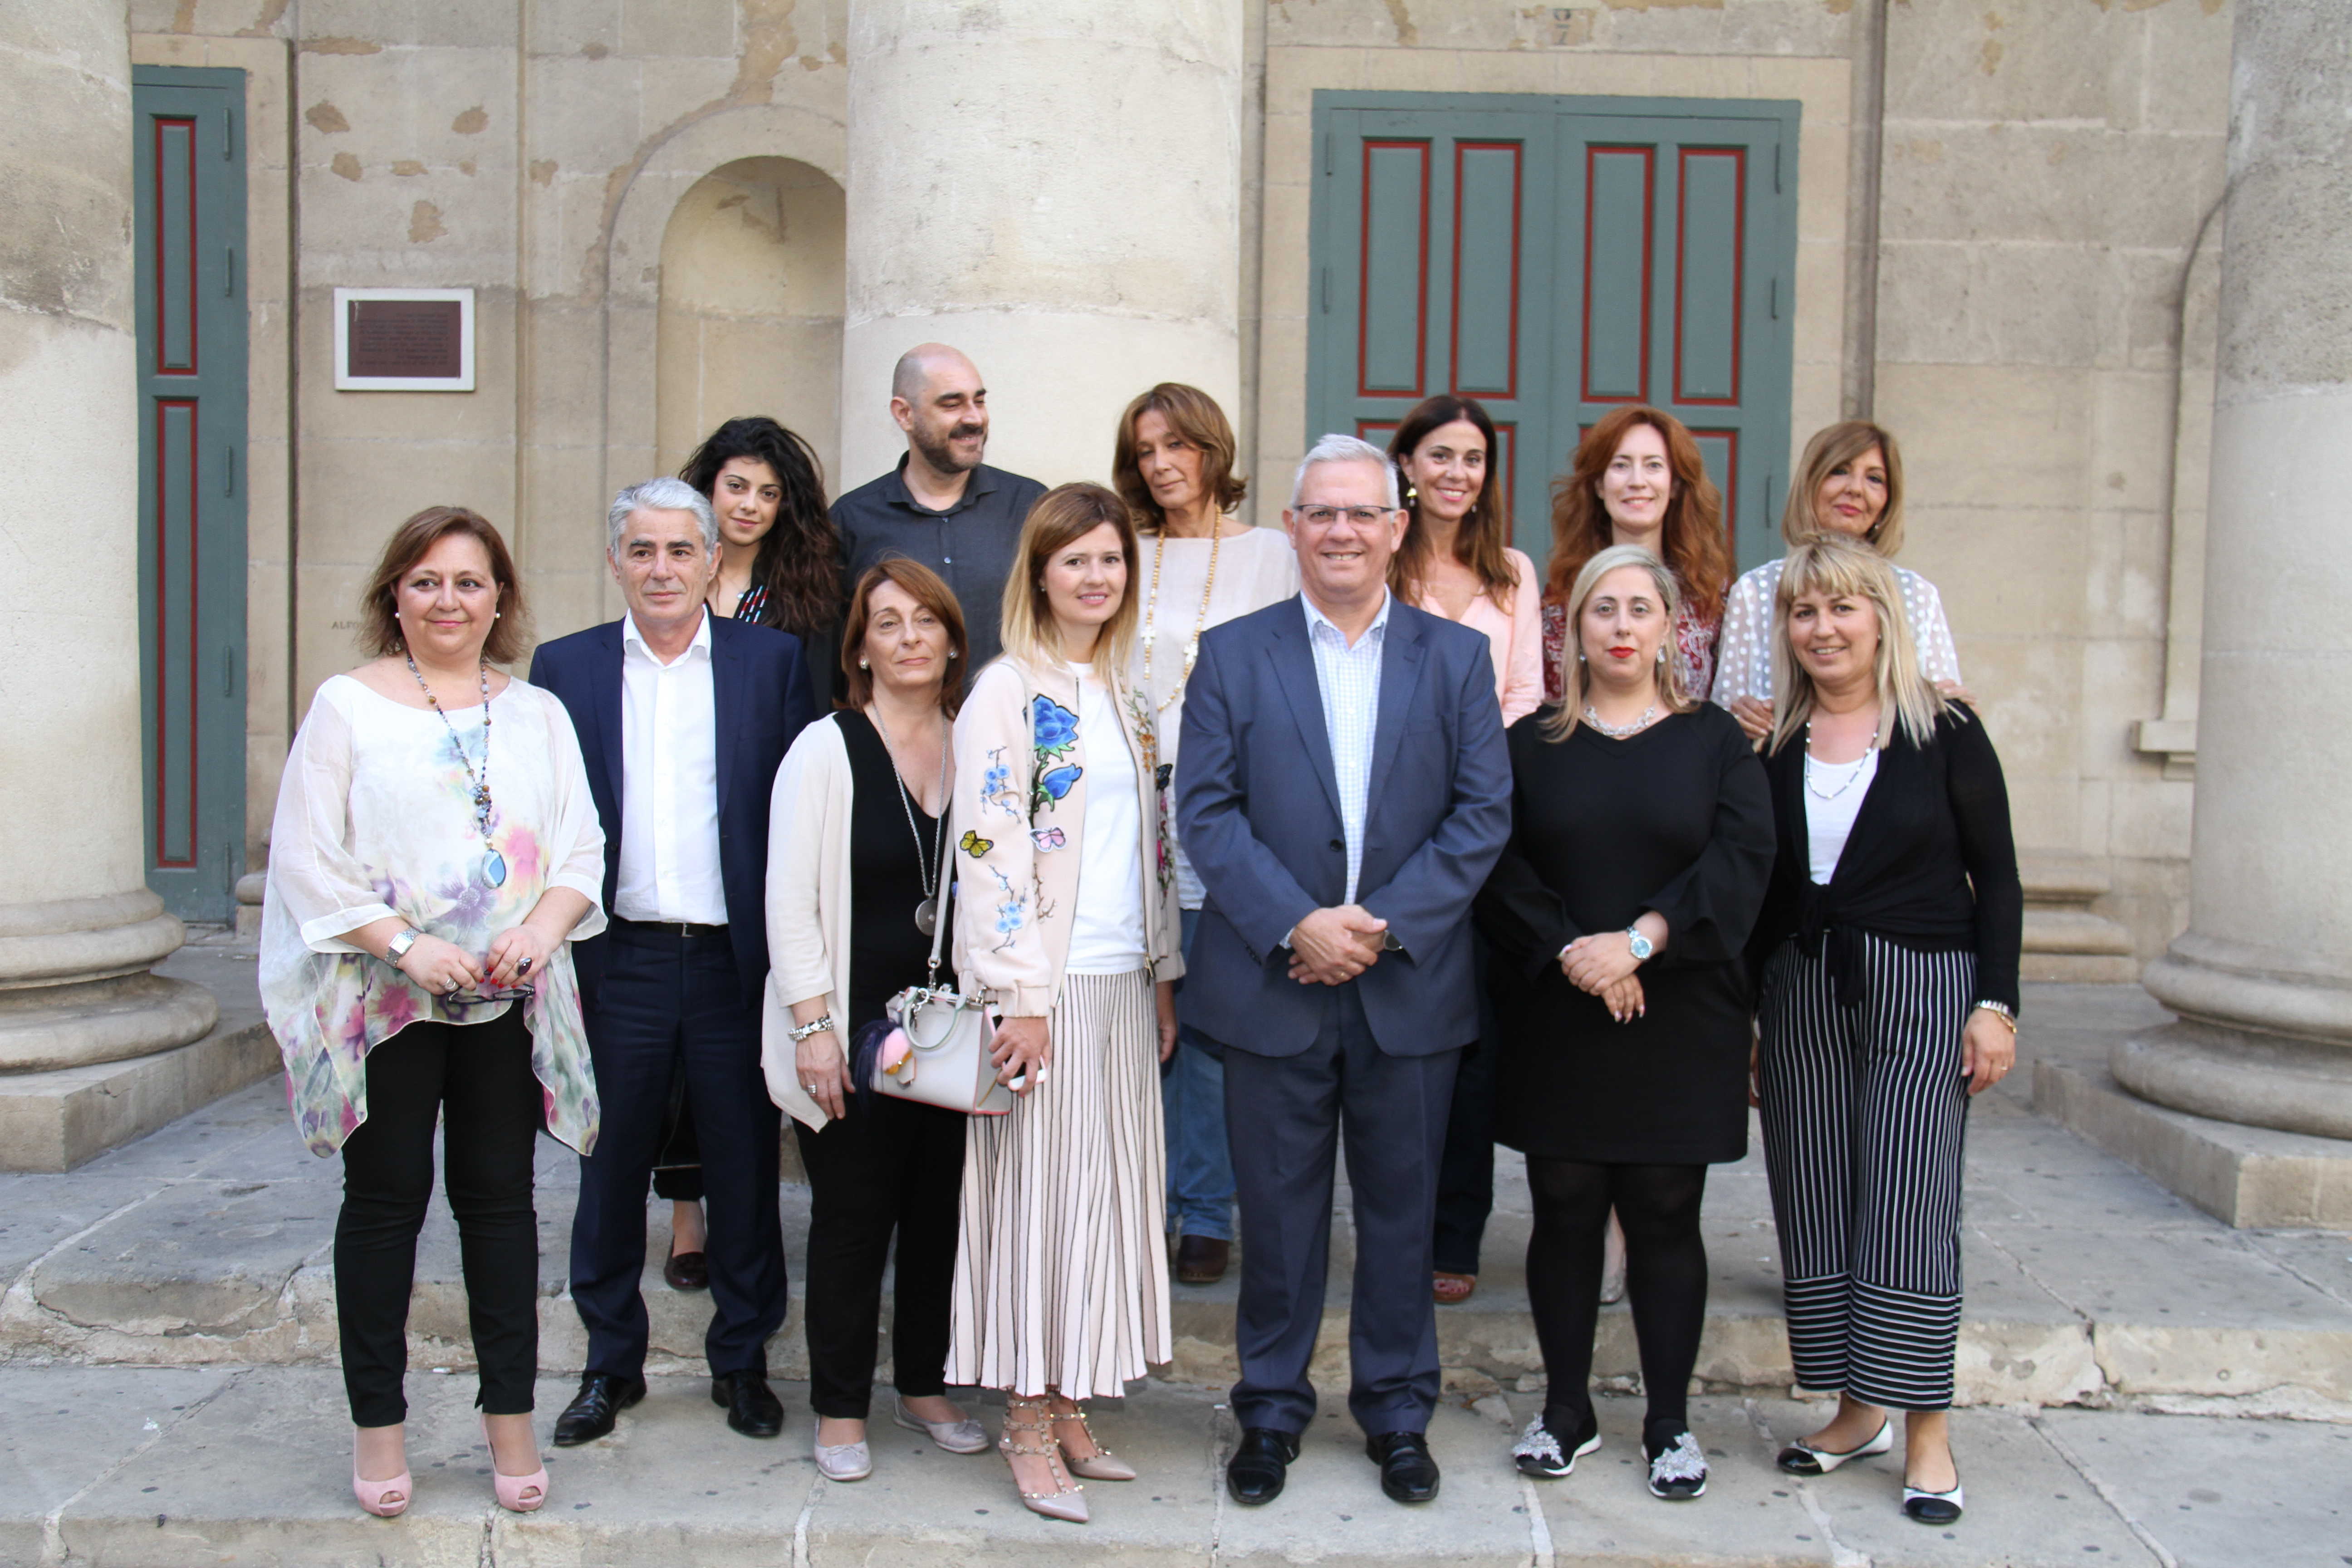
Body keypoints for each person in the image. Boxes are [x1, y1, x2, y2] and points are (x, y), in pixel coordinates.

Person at [1178, 434, 1512, 1509]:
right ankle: (1269, 1411)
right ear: (1291, 527)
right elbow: (1205, 810)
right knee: (1275, 1218)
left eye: (1360, 514)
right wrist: (1295, 924)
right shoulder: (1232, 653)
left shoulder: (1453, 656)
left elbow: (1481, 814)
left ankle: (1398, 1410)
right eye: (1319, 513)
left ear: (1396, 526)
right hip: (1274, 985)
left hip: (1406, 985)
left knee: (1402, 1216)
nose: (1339, 531)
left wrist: (1377, 923)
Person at [260, 505, 605, 1518]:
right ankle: (379, 1430)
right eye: (426, 581)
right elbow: (305, 857)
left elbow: (580, 847)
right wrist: (409, 947)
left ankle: (509, 1426)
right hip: (387, 1007)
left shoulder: (537, 711)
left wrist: (539, 932)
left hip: (507, 1002)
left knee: (500, 1211)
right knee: (385, 1209)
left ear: (500, 597)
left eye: (468, 581)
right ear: (394, 599)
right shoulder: (346, 707)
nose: (448, 600)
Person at [1475, 545, 1773, 1502]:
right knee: (1562, 1206)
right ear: (1575, 630)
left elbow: (1738, 864)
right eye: (1603, 609)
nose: (1620, 626)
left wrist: (1639, 944)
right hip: (1562, 1013)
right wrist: (1576, 951)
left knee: (1662, 1212)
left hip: (1680, 1012)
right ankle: (1566, 1411)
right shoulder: (1531, 745)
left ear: (1671, 627)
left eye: (1640, 608)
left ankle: (1669, 1421)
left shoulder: (1715, 740)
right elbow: (1501, 867)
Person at [530, 477, 818, 1449]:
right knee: (608, 1170)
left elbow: (796, 816)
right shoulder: (563, 670)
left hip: (737, 962)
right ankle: (609, 1365)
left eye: (680, 552)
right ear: (617, 560)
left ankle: (742, 1363)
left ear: (711, 562)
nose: (661, 569)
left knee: (743, 1167)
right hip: (621, 960)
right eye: (642, 551)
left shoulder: (769, 663)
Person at [1749, 534, 2021, 1528]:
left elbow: (1999, 877)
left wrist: (1997, 1004)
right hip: (1801, 993)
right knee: (1816, 1193)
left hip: (1923, 987)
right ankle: (1853, 1405)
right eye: (1804, 611)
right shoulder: (1773, 743)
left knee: (1909, 1200)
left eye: (1841, 609)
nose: (1822, 627)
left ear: (1881, 620)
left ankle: (1927, 1429)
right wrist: (1747, 1020)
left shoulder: (1945, 730)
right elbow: (1765, 895)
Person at [946, 481, 1185, 1524]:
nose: (1097, 576)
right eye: (1075, 558)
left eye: (1111, 560)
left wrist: (1162, 969)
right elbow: (988, 851)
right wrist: (1016, 995)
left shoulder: (1126, 693)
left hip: (1121, 984)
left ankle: (1075, 1391)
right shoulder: (1007, 690)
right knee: (1042, 1204)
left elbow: (1153, 848)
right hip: (1044, 991)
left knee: (1103, 1199)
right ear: (1038, 571)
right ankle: (1027, 1422)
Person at [762, 559, 987, 1483]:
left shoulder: (978, 744)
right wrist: (812, 1029)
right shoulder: (828, 747)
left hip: (952, 1030)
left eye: (925, 621)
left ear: (951, 638)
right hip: (852, 1031)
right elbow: (789, 903)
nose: (909, 638)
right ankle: (842, 1407)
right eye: (887, 623)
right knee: (854, 1219)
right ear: (859, 647)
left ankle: (924, 1386)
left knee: (941, 1214)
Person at [651, 416, 843, 1294]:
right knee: (680, 1053)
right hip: (681, 831)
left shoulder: (803, 593)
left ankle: (753, 1216)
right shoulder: (673, 570)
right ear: (706, 489)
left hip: (773, 827)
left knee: (747, 1032)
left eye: (769, 493)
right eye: (737, 487)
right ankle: (686, 1219)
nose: (752, 507)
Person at [1114, 382, 1297, 1288]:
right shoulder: (1121, 552)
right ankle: (1127, 1199)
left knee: (1212, 1015)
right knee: (1138, 1008)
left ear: (1212, 451)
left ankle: (1202, 1209)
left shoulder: (1272, 554)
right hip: (1126, 810)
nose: (1162, 465)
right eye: (1147, 451)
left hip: (1231, 810)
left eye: (1178, 446)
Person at [1383, 393, 1541, 1311]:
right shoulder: (1380, 563)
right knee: (1391, 1037)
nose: (1456, 473)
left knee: (1471, 1039)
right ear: (1406, 464)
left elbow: (1522, 697)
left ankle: (1454, 1231)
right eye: (1439, 455)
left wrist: (1477, 782)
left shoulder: (1510, 574)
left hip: (1482, 828)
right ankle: (1391, 1215)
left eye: (1473, 458)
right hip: (1389, 825)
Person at [1712, 421, 1964, 741]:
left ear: (1888, 501)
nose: (1856, 489)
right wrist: (1740, 720)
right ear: (1810, 484)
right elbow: (1724, 714)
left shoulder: (1916, 594)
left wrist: (1953, 707)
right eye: (1840, 471)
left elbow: (1941, 715)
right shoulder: (1756, 591)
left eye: (1875, 478)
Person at [833, 343, 1048, 673]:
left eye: (979, 401)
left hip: (1011, 721)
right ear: (904, 414)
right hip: (896, 724)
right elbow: (832, 653)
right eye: (952, 404)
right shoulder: (851, 520)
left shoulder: (1029, 504)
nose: (975, 418)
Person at [1540, 405, 1730, 706]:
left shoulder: (1711, 594)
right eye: (1621, 465)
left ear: (1676, 485)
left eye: (1654, 466)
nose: (1637, 481)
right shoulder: (1564, 595)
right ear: (1600, 485)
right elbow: (1552, 704)